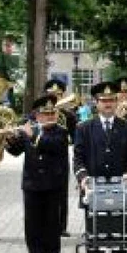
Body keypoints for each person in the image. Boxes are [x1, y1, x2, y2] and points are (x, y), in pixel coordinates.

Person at [74, 81, 127, 253]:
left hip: (121, 188)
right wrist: (83, 177)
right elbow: (77, 157)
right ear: (96, 103)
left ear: (117, 102)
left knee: (120, 231)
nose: (107, 104)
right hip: (93, 189)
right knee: (94, 231)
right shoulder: (84, 128)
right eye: (103, 100)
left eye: (111, 100)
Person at [6, 95, 69, 253]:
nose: (50, 117)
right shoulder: (29, 130)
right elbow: (15, 151)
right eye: (45, 114)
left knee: (52, 221)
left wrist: (32, 136)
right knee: (32, 221)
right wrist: (11, 139)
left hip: (52, 182)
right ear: (37, 116)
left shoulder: (61, 132)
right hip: (31, 183)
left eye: (52, 113)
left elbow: (53, 146)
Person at [44, 79, 78, 238]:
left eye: (58, 95)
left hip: (60, 159)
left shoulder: (68, 116)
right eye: (51, 95)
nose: (55, 99)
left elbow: (76, 138)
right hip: (42, 159)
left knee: (61, 194)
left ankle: (61, 226)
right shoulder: (38, 111)